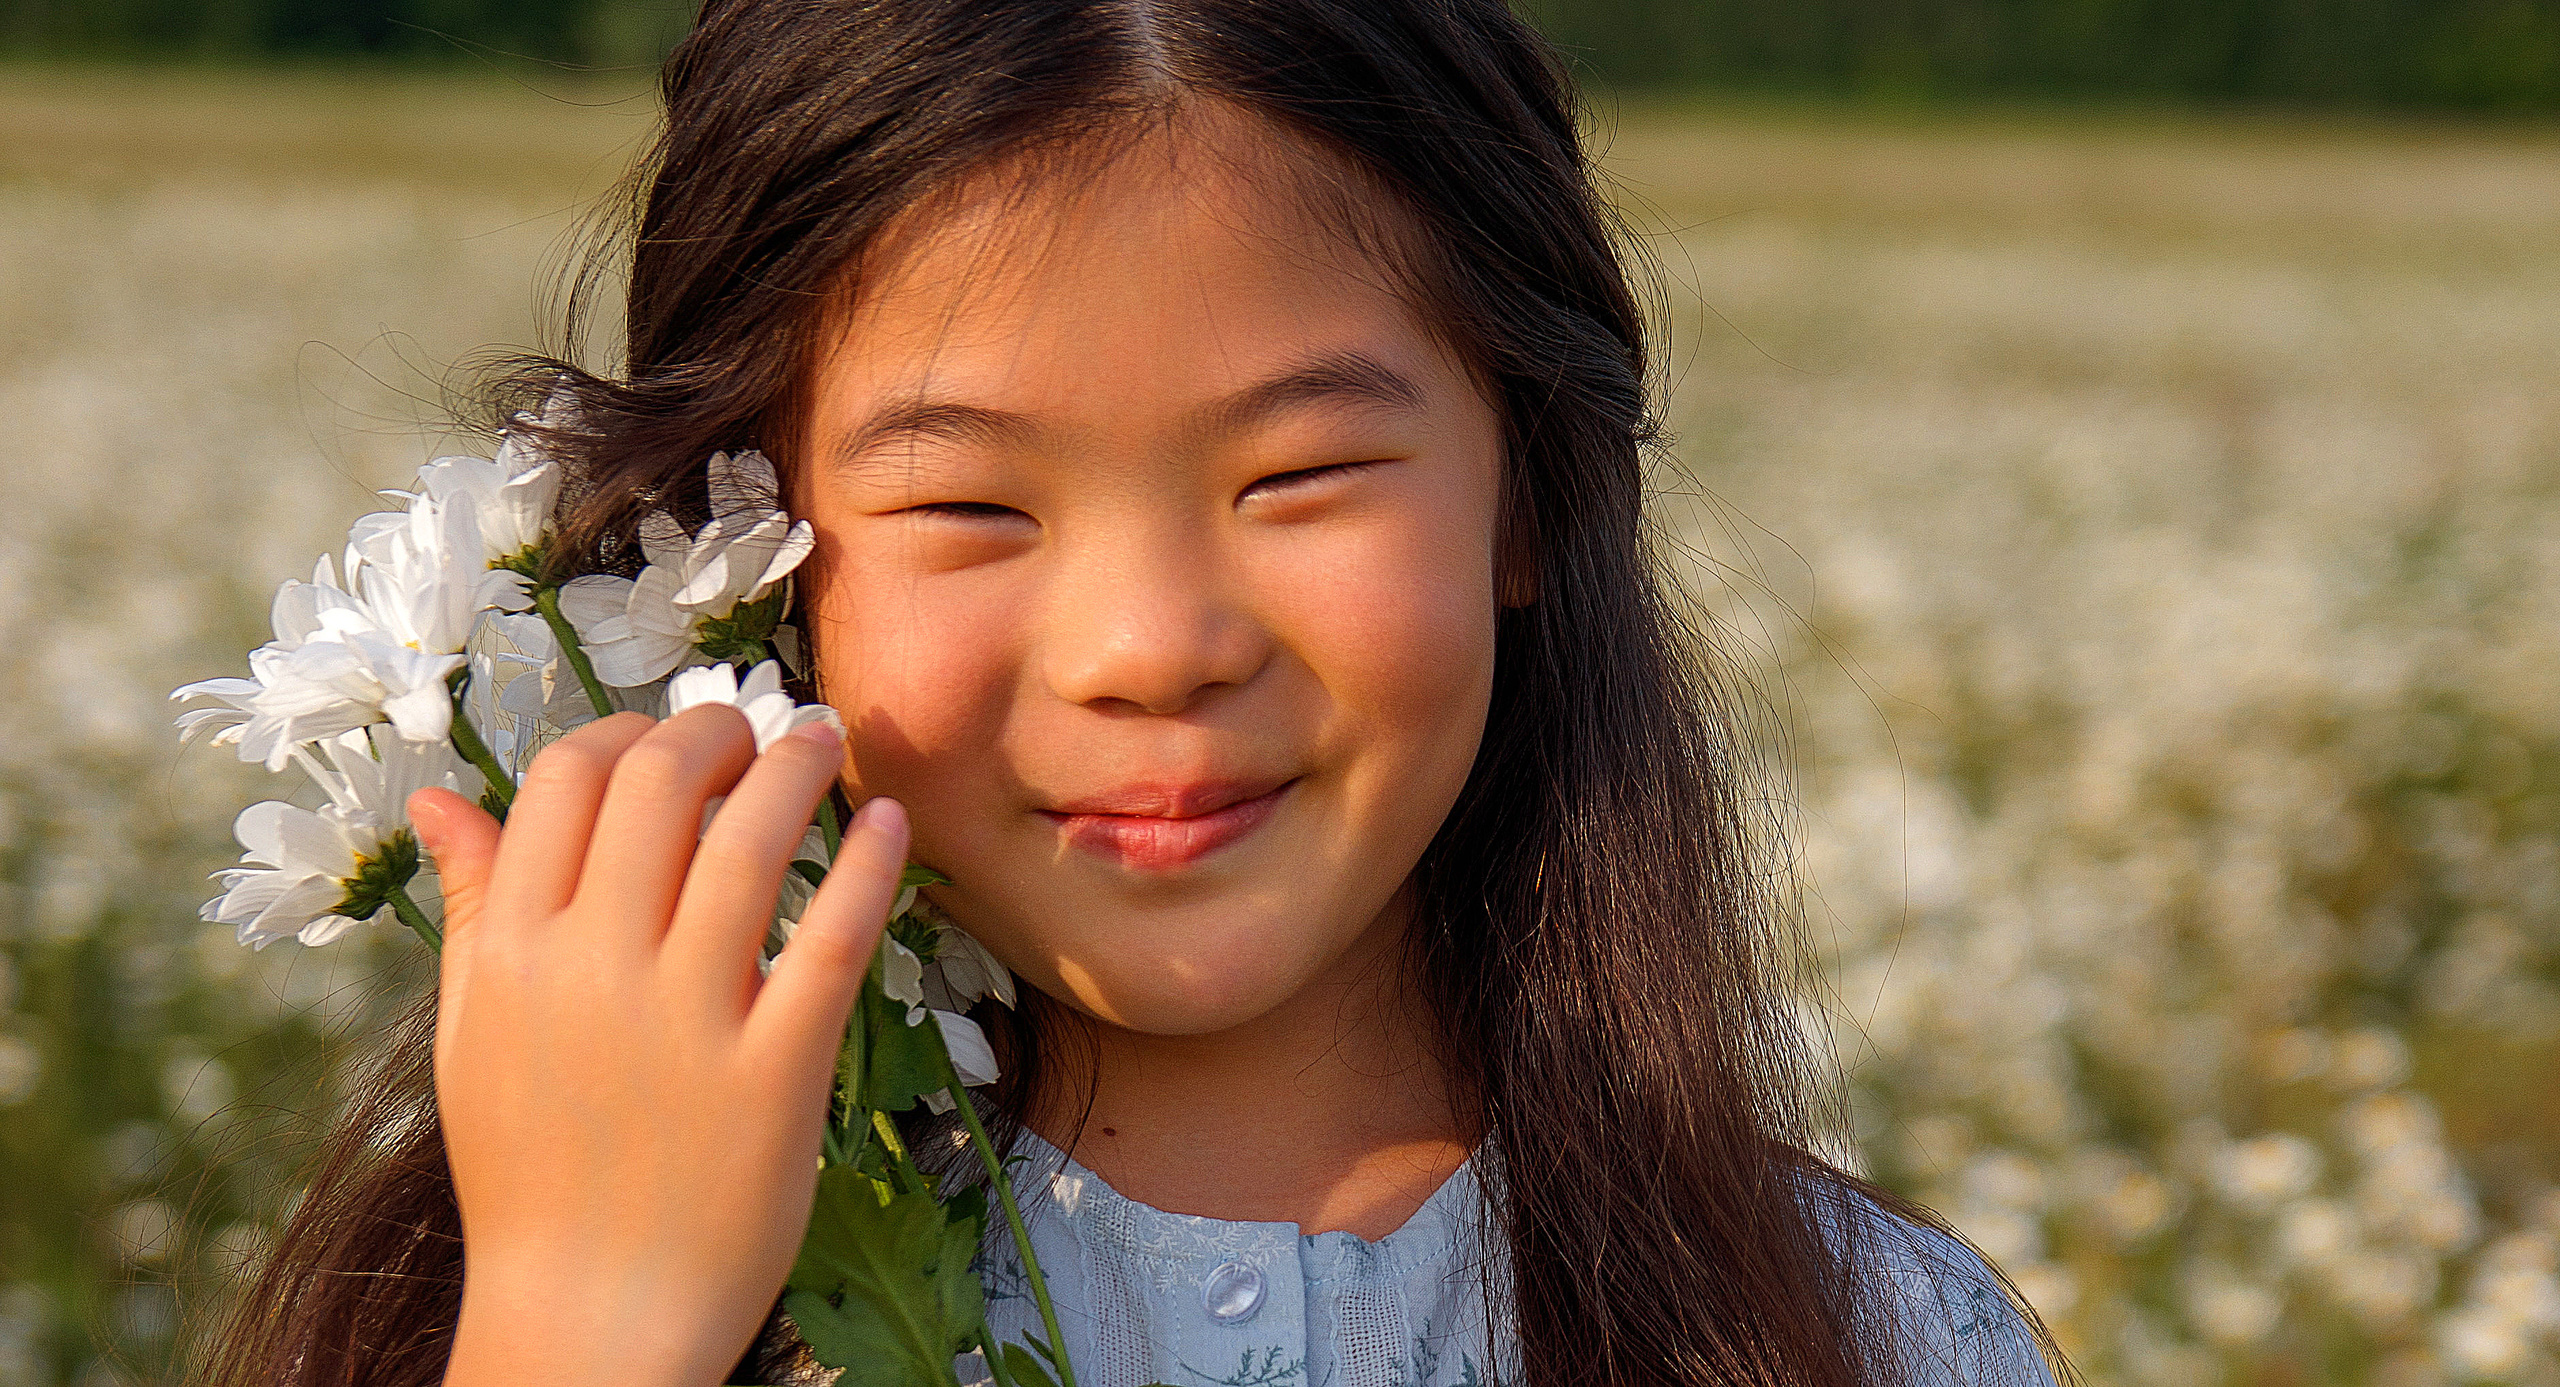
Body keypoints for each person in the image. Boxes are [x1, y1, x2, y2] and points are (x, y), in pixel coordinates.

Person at [200, 2, 2067, 1384]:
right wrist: (581, 1326)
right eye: (968, 506)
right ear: (745, 565)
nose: (1152, 645)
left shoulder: (1864, 1337)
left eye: (1301, 480)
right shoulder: (546, 1293)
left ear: (1537, 488)